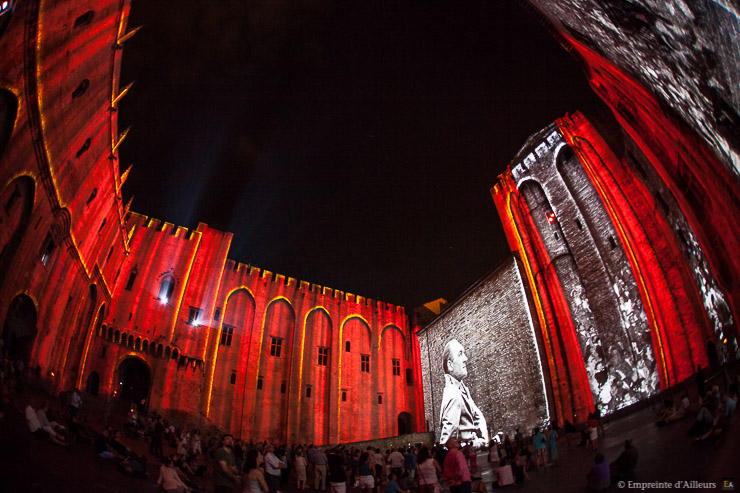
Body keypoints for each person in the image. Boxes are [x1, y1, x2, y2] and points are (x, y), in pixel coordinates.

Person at [438, 339, 489, 448]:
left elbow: (477, 416)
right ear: (450, 365)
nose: (465, 359)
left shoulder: (461, 389)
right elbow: (446, 440)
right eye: (460, 354)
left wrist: (483, 440)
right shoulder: (454, 395)